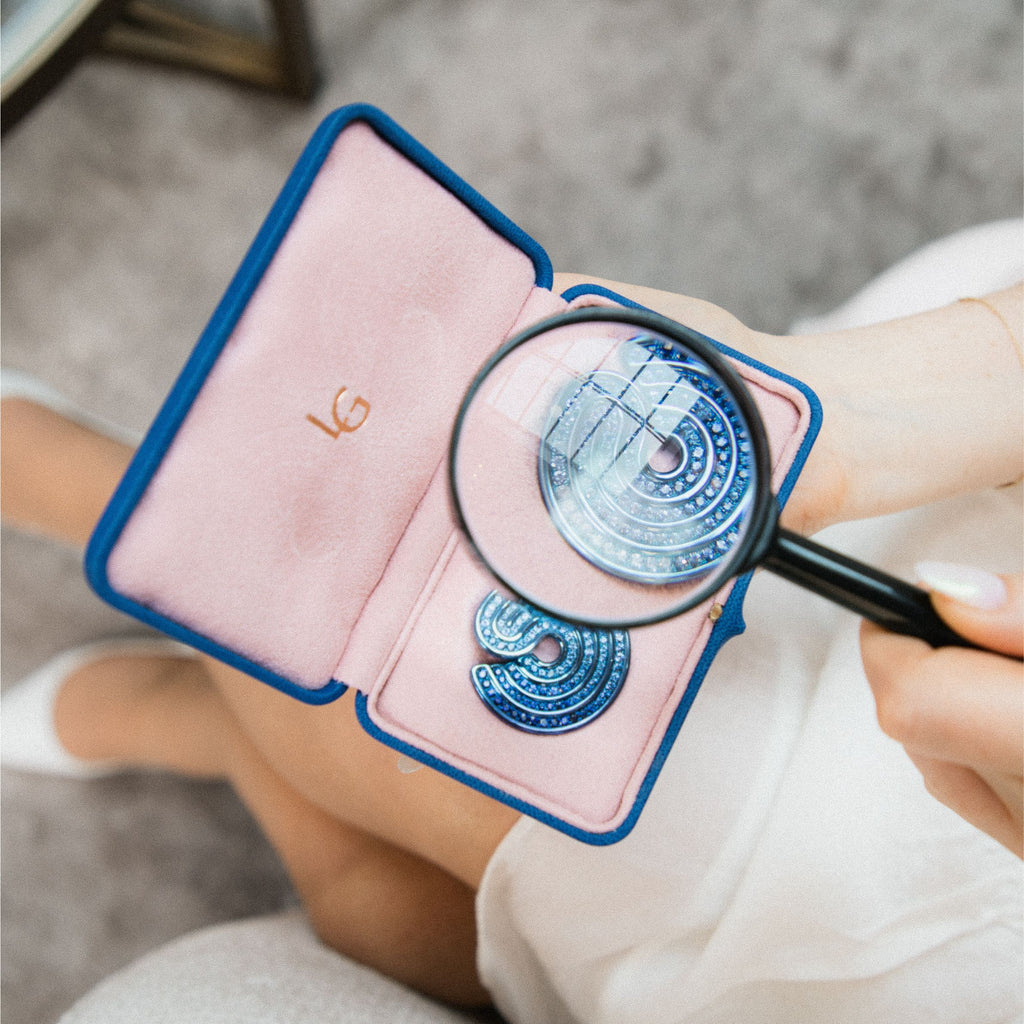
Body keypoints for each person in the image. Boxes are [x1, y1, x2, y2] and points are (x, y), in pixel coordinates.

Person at [1, 223, 1021, 1021]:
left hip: (779, 966)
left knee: (412, 935)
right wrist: (899, 400)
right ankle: (126, 508)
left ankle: (197, 684)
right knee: (384, 660)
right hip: (889, 616)